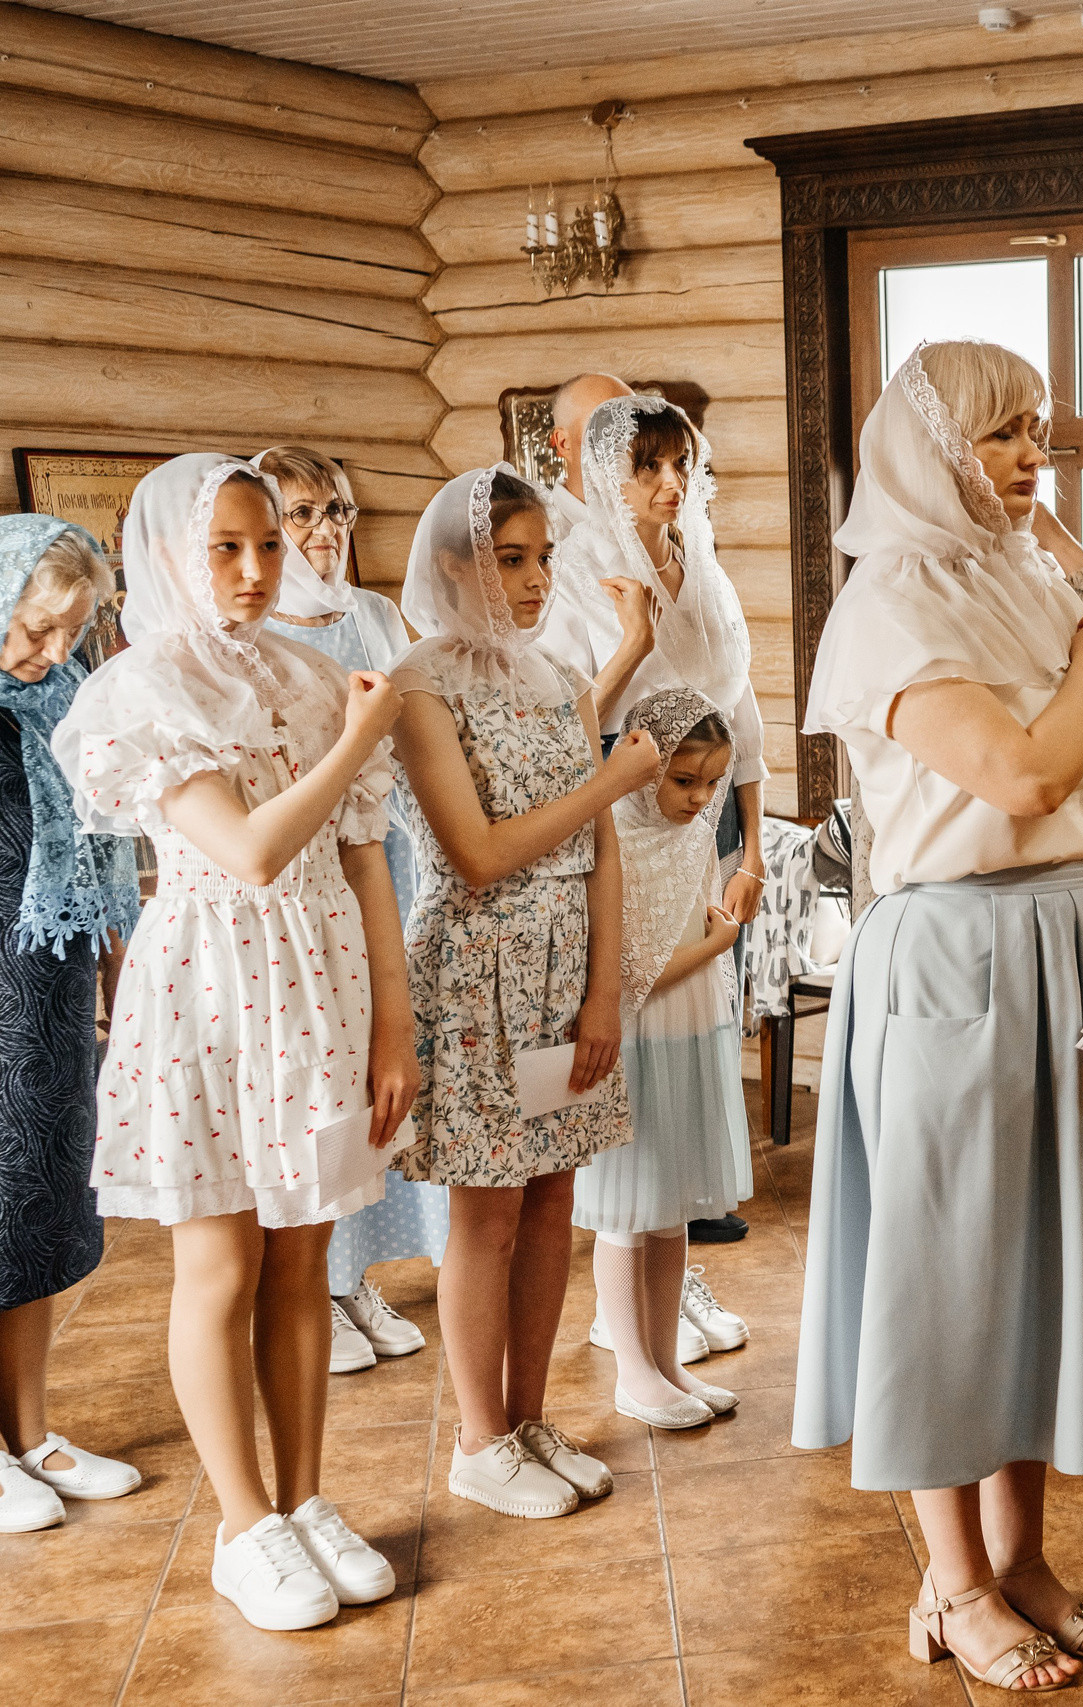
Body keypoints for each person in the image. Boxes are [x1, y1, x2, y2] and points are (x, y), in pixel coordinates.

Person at [794, 339, 1083, 1695]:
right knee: (953, 1276)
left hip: (1081, 938)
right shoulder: (886, 607)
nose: (1032, 457)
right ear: (927, 449)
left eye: (1035, 430)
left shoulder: (1027, 571)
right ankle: (953, 1577)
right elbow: (1025, 770)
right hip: (956, 959)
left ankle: (1020, 1555)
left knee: (1043, 1263)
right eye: (1001, 435)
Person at [56, 455, 413, 1628]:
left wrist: (394, 1027)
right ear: (167, 554)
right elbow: (248, 852)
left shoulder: (317, 678)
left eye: (273, 542)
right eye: (228, 547)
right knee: (223, 1265)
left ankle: (307, 1501)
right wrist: (359, 741)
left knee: (307, 1256)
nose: (261, 569)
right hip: (209, 983)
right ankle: (243, 1523)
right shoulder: (135, 691)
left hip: (319, 978)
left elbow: (364, 861)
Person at [393, 463, 655, 1518]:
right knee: (488, 1212)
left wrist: (603, 993)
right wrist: (610, 779)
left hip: (561, 974)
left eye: (544, 557)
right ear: (457, 564)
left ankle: (532, 1414)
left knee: (556, 1198)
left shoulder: (553, 678)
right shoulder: (418, 686)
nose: (540, 579)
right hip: (476, 978)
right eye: (513, 559)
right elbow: (477, 854)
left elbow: (600, 850)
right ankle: (477, 1437)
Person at [250, 444, 444, 1376]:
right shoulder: (260, 633)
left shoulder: (370, 612)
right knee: (330, 1065)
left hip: (388, 855)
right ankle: (321, 1281)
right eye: (303, 516)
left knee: (387, 1064)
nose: (326, 532)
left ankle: (358, 1276)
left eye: (336, 512)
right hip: (310, 867)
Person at [570, 396, 769, 1253]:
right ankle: (629, 1270)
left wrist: (754, 844)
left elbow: (744, 708)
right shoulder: (583, 573)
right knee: (643, 1021)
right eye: (647, 466)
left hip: (707, 812)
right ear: (608, 477)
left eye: (681, 463)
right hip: (629, 822)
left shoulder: (707, 564)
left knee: (696, 1023)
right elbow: (569, 726)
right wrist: (633, 635)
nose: (669, 481)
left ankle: (672, 1262)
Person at [0, 516, 143, 1534]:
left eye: (70, 632)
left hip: (43, 988)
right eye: (37, 629)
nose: (52, 653)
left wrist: (116, 953)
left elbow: (97, 844)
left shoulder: (61, 699)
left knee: (39, 1210)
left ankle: (31, 1435)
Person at [573, 688, 755, 1429]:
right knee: (628, 1204)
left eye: (713, 783)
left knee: (671, 1206)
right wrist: (714, 947)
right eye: (684, 780)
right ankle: (633, 1369)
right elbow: (629, 970)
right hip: (639, 1037)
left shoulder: (693, 829)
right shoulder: (614, 832)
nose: (701, 798)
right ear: (644, 762)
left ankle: (668, 1361)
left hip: (690, 1028)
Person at [542, 373, 658, 716]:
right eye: (605, 425)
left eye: (631, 422)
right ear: (563, 444)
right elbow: (564, 707)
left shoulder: (657, 530)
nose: (626, 439)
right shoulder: (545, 544)